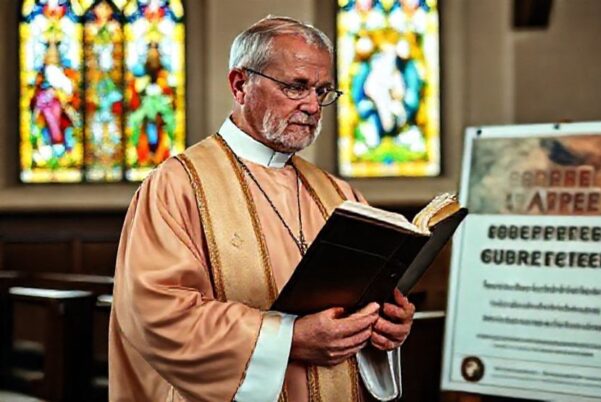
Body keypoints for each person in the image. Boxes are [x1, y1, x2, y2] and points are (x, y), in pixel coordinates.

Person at [109, 16, 415, 402]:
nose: (313, 106)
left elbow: (365, 298)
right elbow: (156, 313)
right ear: (240, 85)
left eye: (322, 91)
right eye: (296, 87)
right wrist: (290, 339)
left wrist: (384, 327)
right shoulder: (178, 186)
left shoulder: (339, 194)